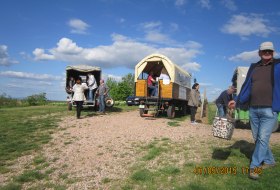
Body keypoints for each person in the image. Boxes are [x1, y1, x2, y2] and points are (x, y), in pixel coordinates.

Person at [230, 41, 280, 180]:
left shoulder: (278, 66)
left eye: (269, 51)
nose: (267, 53)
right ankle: (269, 161)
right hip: (253, 109)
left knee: (263, 139)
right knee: (258, 138)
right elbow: (247, 87)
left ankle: (254, 167)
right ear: (259, 53)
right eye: (264, 51)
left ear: (273, 52)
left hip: (270, 110)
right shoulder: (254, 67)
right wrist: (237, 100)